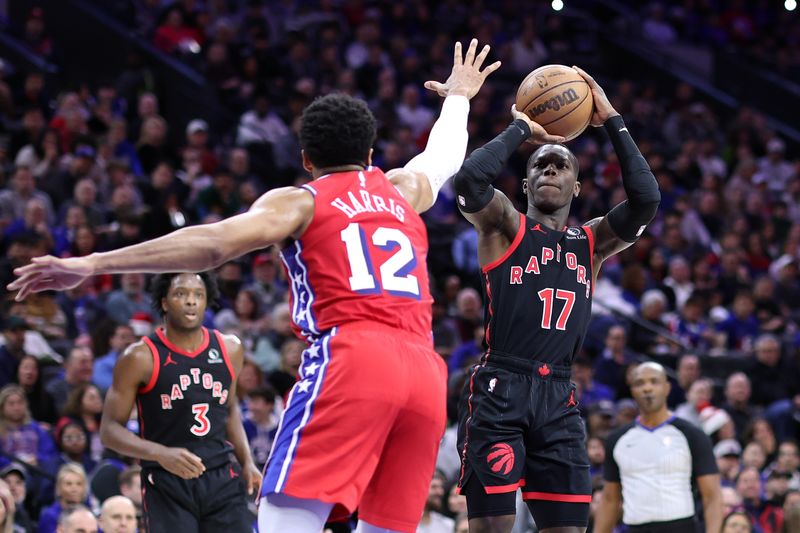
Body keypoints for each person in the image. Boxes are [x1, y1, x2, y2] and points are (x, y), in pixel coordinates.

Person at [9, 38, 499, 533]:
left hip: (354, 357)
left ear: (307, 159)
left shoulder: (302, 201)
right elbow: (443, 154)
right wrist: (459, 95)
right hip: (424, 372)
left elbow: (212, 244)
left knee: (283, 519)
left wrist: (93, 263)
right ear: (370, 153)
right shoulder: (403, 190)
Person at [451, 67, 661, 532]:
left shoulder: (592, 242)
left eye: (560, 165)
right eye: (539, 166)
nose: (549, 169)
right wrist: (522, 127)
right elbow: (469, 180)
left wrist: (612, 121)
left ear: (576, 187)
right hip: (501, 387)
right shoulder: (506, 224)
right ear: (525, 185)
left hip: (559, 397)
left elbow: (646, 200)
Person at [95, 272, 259, 533]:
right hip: (167, 480)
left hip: (220, 477)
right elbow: (109, 431)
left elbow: (229, 409)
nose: (191, 301)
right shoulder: (140, 357)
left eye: (198, 295)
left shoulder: (230, 349)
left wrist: (247, 461)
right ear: (164, 302)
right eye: (181, 294)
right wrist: (159, 453)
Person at [594, 363, 723, 533]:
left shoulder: (692, 435)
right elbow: (610, 499)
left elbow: (712, 497)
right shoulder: (617, 440)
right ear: (632, 391)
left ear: (667, 388)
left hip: (681, 527)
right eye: (640, 383)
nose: (647, 388)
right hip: (634, 527)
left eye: (654, 381)